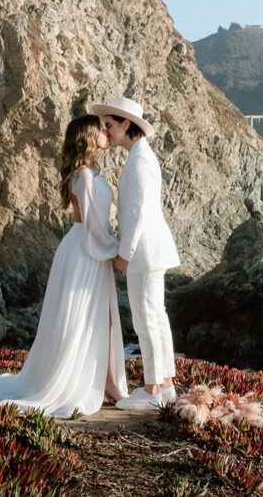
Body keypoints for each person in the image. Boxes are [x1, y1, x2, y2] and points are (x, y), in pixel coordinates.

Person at [0, 115, 128, 417]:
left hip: (84, 249)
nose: (104, 132)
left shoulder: (87, 171)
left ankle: (108, 382)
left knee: (99, 317)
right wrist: (117, 250)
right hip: (86, 250)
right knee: (87, 318)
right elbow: (94, 225)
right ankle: (94, 382)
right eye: (99, 129)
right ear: (87, 137)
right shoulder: (84, 175)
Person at [91, 96, 180, 410]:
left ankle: (153, 390)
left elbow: (137, 212)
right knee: (156, 317)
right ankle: (165, 387)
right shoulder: (140, 156)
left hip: (144, 252)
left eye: (111, 125)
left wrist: (125, 253)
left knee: (146, 320)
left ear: (127, 124)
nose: (108, 132)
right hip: (151, 250)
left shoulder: (140, 159)